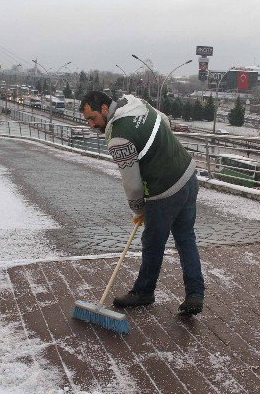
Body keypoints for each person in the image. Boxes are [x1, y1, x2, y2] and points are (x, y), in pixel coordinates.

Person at [79, 91, 205, 315]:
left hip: (164, 190)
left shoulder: (118, 136)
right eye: (87, 120)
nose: (91, 125)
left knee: (153, 242)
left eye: (93, 118)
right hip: (188, 175)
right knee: (186, 238)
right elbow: (164, 120)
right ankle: (195, 294)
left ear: (105, 109)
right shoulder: (136, 103)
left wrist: (138, 208)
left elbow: (133, 183)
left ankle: (144, 292)